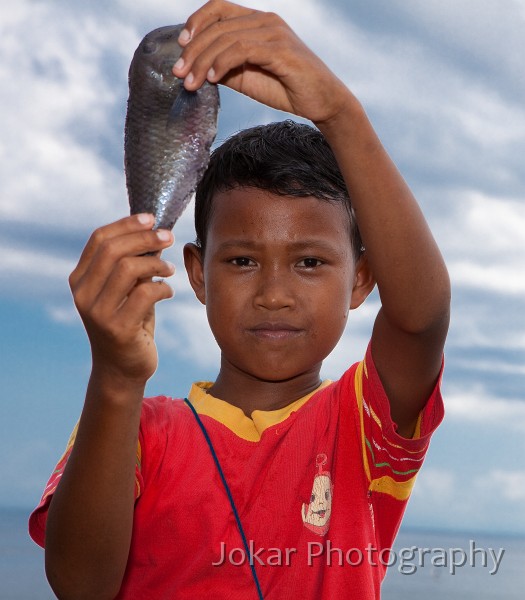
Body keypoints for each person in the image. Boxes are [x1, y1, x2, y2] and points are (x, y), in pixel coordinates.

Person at [29, 1, 450, 598]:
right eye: (242, 260)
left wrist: (339, 111)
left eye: (309, 262)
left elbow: (422, 319)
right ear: (198, 275)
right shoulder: (133, 428)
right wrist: (117, 379)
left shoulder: (362, 426)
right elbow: (78, 584)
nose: (274, 294)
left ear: (360, 281)